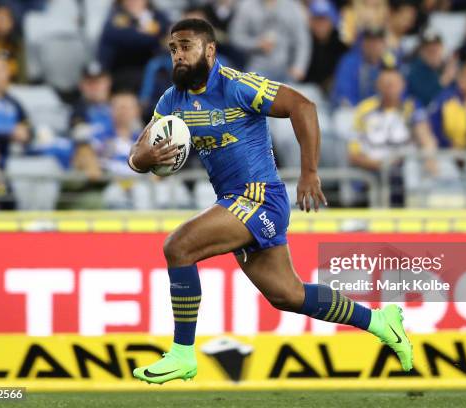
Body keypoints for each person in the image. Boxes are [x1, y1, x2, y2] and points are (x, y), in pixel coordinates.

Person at [128, 18, 412, 385]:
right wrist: (142, 160)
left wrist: (309, 172)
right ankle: (380, 321)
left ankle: (183, 354)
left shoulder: (237, 86)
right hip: (233, 202)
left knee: (178, 247)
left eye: (185, 46)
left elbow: (304, 106)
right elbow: (139, 150)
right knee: (288, 295)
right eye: (173, 49)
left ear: (209, 50)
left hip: (260, 198)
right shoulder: (172, 100)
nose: (178, 55)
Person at [349, 65, 437, 205]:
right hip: (372, 169)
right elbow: (353, 154)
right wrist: (381, 165)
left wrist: (429, 156)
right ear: (378, 86)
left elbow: (425, 135)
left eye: (393, 84)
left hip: (403, 168)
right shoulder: (364, 110)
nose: (389, 88)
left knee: (413, 170)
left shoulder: (411, 107)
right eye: (385, 84)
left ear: (403, 85)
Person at [229, 0, 311, 83]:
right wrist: (257, 44)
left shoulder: (293, 7)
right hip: (256, 68)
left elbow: (302, 40)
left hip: (286, 69)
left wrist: (299, 66)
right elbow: (235, 37)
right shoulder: (247, 5)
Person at [98, 0, 169, 92]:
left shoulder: (158, 15)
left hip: (155, 71)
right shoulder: (115, 17)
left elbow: (169, 30)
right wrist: (157, 36)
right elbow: (129, 38)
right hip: (123, 73)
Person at [332, 27, 397, 106]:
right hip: (353, 110)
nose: (373, 46)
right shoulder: (350, 61)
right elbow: (343, 92)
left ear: (384, 44)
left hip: (380, 112)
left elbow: (398, 92)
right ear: (363, 43)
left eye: (377, 42)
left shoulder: (391, 63)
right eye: (370, 41)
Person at [304, 0, 348, 93]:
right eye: (317, 19)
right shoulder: (302, 45)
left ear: (333, 20)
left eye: (324, 19)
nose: (320, 24)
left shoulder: (342, 48)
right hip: (306, 93)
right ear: (310, 21)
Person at [407, 28, 457, 106]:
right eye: (428, 49)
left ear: (442, 48)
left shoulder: (449, 66)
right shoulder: (414, 71)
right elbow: (424, 99)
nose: (433, 50)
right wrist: (443, 81)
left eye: (436, 47)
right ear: (421, 51)